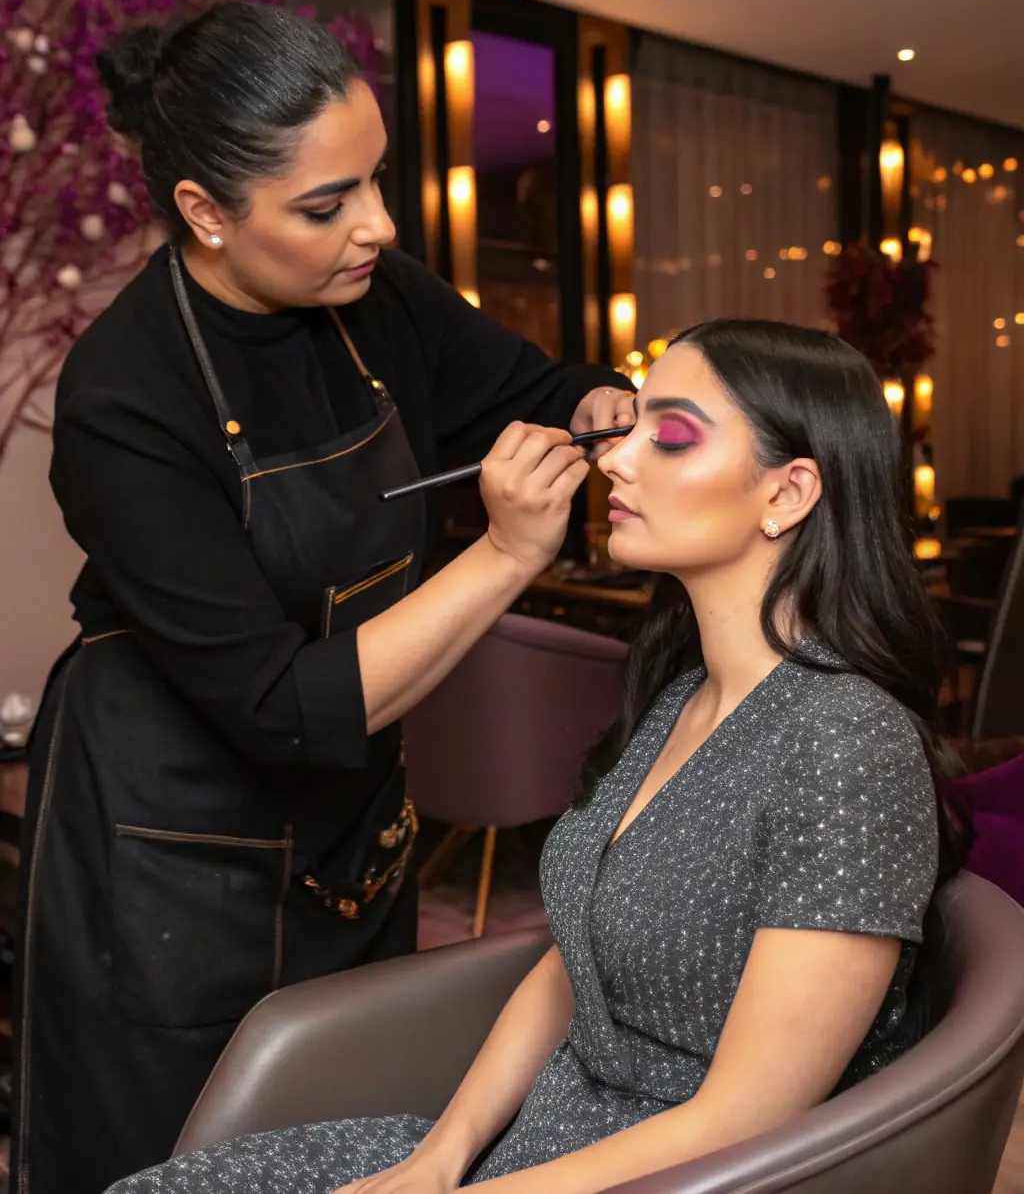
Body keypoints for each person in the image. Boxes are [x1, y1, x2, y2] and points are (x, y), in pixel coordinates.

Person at [108, 318, 967, 1194]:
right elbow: (571, 965)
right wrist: (436, 1159)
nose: (616, 459)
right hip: (538, 1148)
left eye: (668, 436)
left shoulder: (847, 742)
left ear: (788, 494)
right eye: (629, 424)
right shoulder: (680, 697)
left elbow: (747, 1118)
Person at [13, 1, 635, 1194]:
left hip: (349, 821)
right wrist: (505, 556)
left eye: (376, 183)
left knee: (354, 1121)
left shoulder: (381, 295)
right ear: (203, 211)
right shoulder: (125, 399)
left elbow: (542, 387)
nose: (378, 226)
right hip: (164, 841)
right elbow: (283, 707)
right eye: (325, 204)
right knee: (179, 1152)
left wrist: (612, 409)